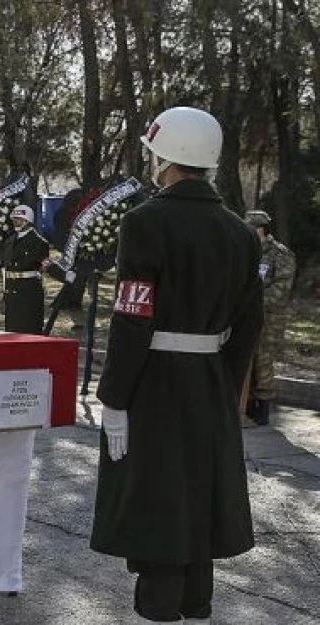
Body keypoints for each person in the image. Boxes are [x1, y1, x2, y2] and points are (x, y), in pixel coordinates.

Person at [92, 107, 263, 624]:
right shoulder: (237, 232)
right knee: (198, 508)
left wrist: (114, 396)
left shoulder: (144, 222)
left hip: (155, 383)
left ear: (169, 157)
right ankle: (197, 609)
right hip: (208, 380)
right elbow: (250, 324)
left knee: (160, 508)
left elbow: (133, 317)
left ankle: (160, 613)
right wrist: (223, 384)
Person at [243, 209, 296, 426]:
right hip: (246, 315)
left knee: (263, 360)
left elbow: (281, 289)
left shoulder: (280, 254)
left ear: (260, 229)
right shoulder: (247, 251)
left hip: (269, 318)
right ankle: (245, 405)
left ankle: (262, 408)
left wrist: (252, 300)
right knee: (246, 358)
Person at [0, 205, 49, 334]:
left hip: (28, 291)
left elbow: (44, 266)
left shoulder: (39, 242)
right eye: (14, 219)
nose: (16, 221)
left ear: (28, 220)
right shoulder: (10, 241)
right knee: (12, 328)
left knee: (28, 327)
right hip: (11, 289)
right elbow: (5, 267)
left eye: (19, 219)